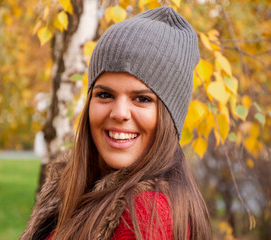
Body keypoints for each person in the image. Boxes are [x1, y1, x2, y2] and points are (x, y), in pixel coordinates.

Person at [20, 6, 212, 240]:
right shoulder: (73, 188)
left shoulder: (145, 215)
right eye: (105, 95)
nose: (119, 113)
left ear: (169, 116)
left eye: (142, 99)